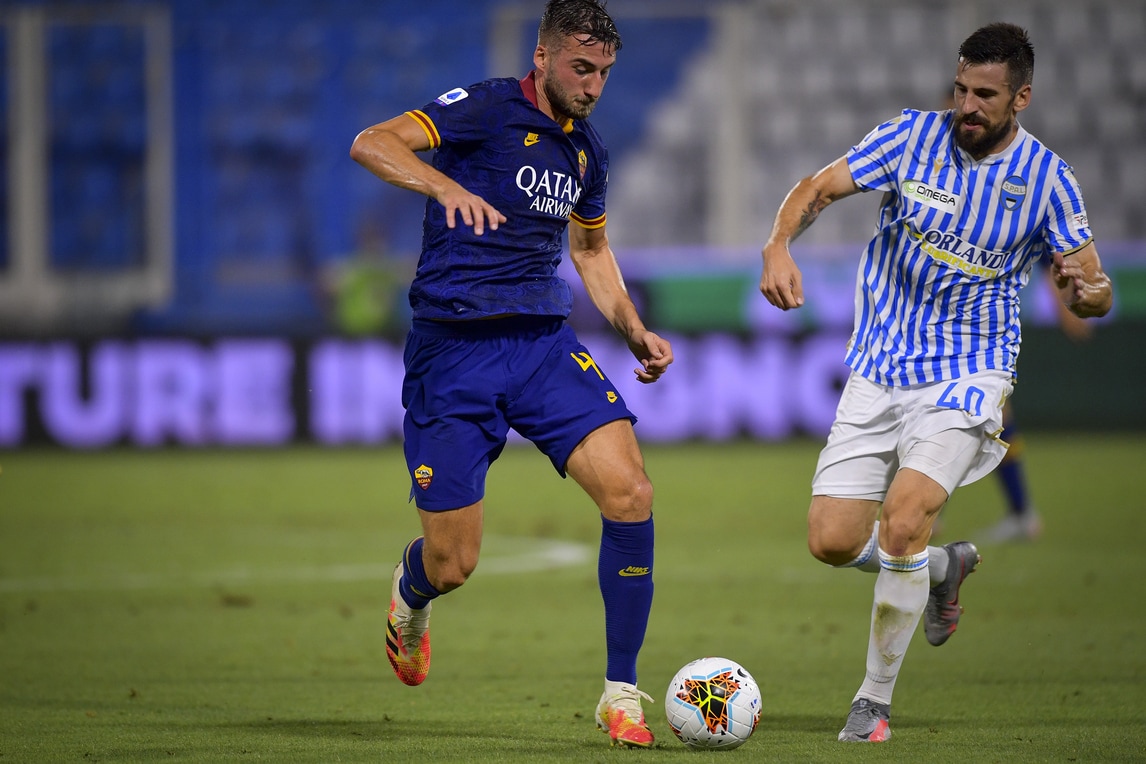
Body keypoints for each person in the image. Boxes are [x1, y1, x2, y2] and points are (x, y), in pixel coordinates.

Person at [758, 22, 1111, 742]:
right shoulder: (910, 138)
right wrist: (778, 244)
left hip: (970, 372)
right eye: (960, 89)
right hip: (880, 364)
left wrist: (1090, 292)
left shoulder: (1048, 180)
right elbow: (817, 187)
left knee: (905, 518)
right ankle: (942, 566)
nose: (966, 106)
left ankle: (872, 704)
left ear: (1021, 98)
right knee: (830, 540)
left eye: (985, 95)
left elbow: (1092, 290)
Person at [349, 0, 672, 749]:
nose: (592, 86)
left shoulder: (587, 151)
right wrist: (442, 186)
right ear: (542, 56)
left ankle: (621, 693)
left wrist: (633, 329)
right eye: (581, 68)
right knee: (453, 563)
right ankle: (411, 591)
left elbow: (590, 250)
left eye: (604, 73)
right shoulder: (485, 109)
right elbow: (372, 142)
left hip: (540, 345)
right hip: (453, 352)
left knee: (631, 492)